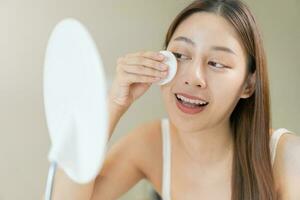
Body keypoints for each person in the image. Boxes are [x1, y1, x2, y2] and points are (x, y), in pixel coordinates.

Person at [51, 0, 300, 199]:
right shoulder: (152, 144)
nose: (194, 78)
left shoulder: (287, 158)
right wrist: (114, 103)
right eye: (180, 55)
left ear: (248, 84)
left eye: (216, 63)